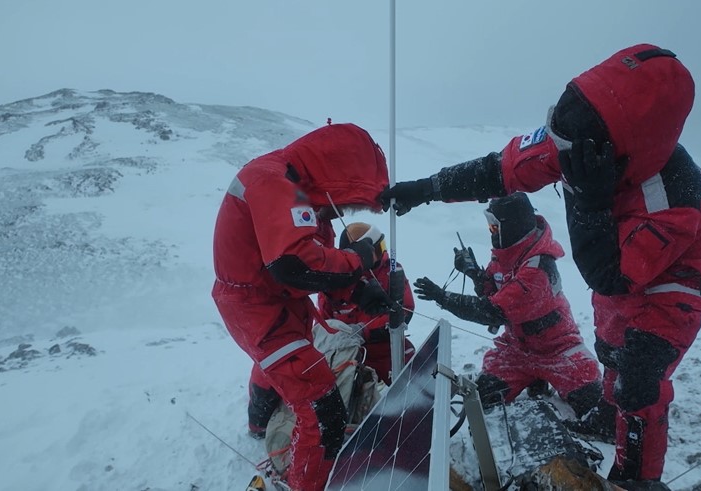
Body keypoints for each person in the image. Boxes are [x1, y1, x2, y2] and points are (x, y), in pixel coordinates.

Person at [381, 44, 701, 490]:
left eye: (568, 149)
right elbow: (499, 170)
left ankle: (637, 476)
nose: (558, 154)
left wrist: (589, 199)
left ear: (614, 151)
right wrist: (423, 189)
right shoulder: (576, 141)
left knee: (639, 377)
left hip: (674, 273)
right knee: (612, 345)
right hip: (588, 274)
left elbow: (609, 275)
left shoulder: (674, 195)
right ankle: (608, 410)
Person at [212, 122, 394, 491]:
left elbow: (314, 268)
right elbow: (297, 265)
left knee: (282, 368)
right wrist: (359, 258)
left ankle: (260, 421)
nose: (341, 210)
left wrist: (357, 293)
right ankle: (306, 483)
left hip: (277, 303)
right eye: (346, 200)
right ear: (339, 174)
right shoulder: (272, 183)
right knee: (323, 408)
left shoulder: (299, 194)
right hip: (256, 308)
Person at [412, 192, 615, 440]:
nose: (492, 230)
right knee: (482, 396)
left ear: (513, 224)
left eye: (494, 225)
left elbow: (493, 312)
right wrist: (474, 272)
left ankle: (543, 379)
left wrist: (443, 298)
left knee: (594, 404)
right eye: (490, 224)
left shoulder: (538, 268)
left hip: (559, 348)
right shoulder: (508, 253)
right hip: (516, 350)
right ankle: (532, 379)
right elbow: (493, 290)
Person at [317, 222, 416, 385]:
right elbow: (323, 325)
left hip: (389, 353)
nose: (382, 253)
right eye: (376, 250)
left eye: (382, 246)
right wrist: (342, 337)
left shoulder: (391, 273)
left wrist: (364, 332)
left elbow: (405, 311)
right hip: (352, 358)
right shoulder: (336, 280)